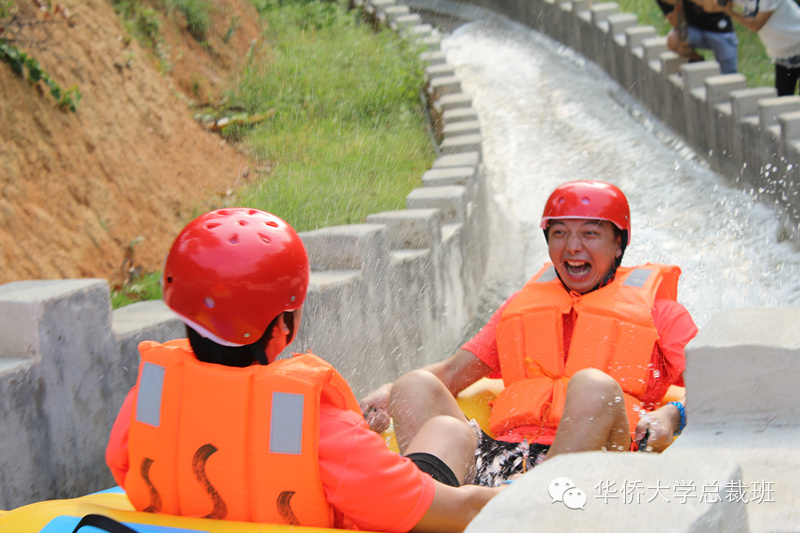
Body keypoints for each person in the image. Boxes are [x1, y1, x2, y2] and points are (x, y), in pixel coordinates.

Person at [106, 208, 501, 532]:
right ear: (282, 328)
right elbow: (460, 511)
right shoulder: (324, 432)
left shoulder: (147, 402)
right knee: (450, 430)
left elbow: (125, 468)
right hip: (378, 503)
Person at [361, 181, 699, 487]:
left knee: (592, 385)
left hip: (601, 456)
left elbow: (718, 387)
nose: (573, 247)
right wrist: (390, 393)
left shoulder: (661, 313)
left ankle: (533, 504)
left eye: (590, 234)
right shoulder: (521, 307)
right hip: (507, 455)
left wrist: (673, 413)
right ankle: (439, 510)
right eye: (560, 233)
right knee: (411, 385)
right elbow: (451, 372)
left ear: (618, 246)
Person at [720, 0, 800, 95]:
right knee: (783, 96)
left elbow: (756, 25)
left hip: (796, 43)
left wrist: (730, 12)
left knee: (784, 96)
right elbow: (714, 7)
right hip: (783, 53)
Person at [656, 0, 739, 74]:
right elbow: (677, 24)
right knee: (674, 40)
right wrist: (678, 3)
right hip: (696, 31)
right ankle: (699, 62)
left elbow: (710, 5)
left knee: (729, 75)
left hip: (720, 31)